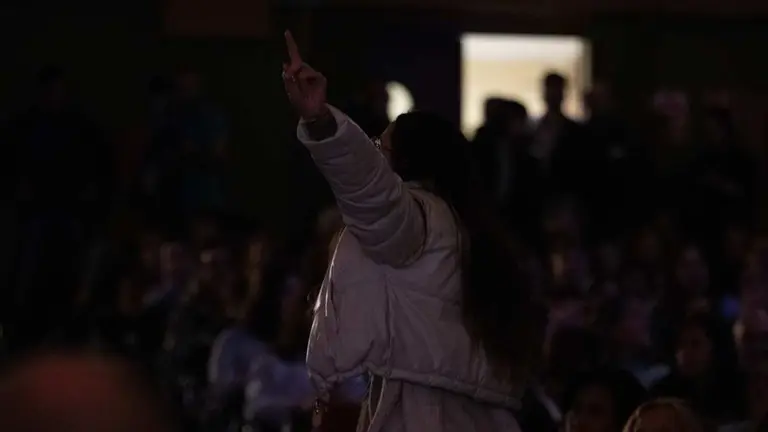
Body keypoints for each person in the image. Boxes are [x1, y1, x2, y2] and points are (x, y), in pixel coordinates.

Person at [281, 31, 545, 431]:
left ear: (406, 161)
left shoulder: (416, 221)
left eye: (379, 148)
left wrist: (322, 123)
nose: (373, 154)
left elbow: (369, 191)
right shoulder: (460, 229)